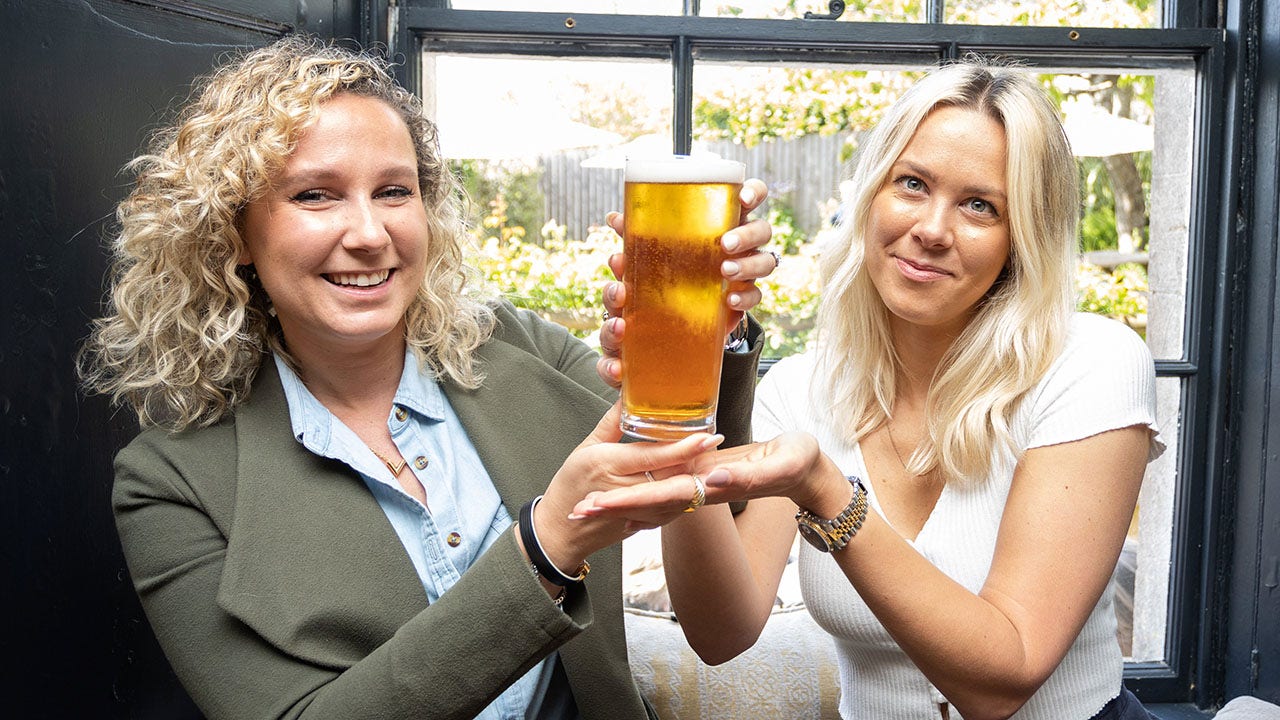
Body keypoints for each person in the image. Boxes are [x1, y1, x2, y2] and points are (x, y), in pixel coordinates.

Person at [78, 35, 777, 719]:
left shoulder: (519, 348)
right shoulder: (171, 484)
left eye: (393, 191)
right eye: (315, 195)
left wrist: (709, 329)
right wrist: (545, 547)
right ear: (233, 234)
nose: (369, 234)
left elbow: (708, 488)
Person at [581, 58, 1164, 720]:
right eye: (912, 184)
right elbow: (721, 633)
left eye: (980, 205)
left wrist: (830, 495)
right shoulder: (802, 390)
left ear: (1024, 235)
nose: (933, 229)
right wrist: (685, 391)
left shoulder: (1091, 363)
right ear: (869, 197)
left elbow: (1004, 681)